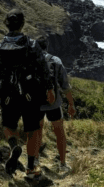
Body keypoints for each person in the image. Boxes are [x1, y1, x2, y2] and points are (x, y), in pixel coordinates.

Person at [0, 8, 55, 178]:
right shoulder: (32, 45)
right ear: (22, 24)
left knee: (8, 126)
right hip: (30, 93)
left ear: (6, 24)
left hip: (7, 93)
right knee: (32, 130)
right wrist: (49, 89)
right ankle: (31, 167)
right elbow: (43, 68)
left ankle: (13, 146)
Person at [36, 36, 76, 174]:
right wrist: (71, 104)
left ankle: (34, 161)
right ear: (47, 46)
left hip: (35, 104)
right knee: (60, 133)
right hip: (53, 103)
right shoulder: (55, 61)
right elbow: (65, 86)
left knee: (36, 132)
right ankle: (63, 164)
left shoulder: (29, 61)